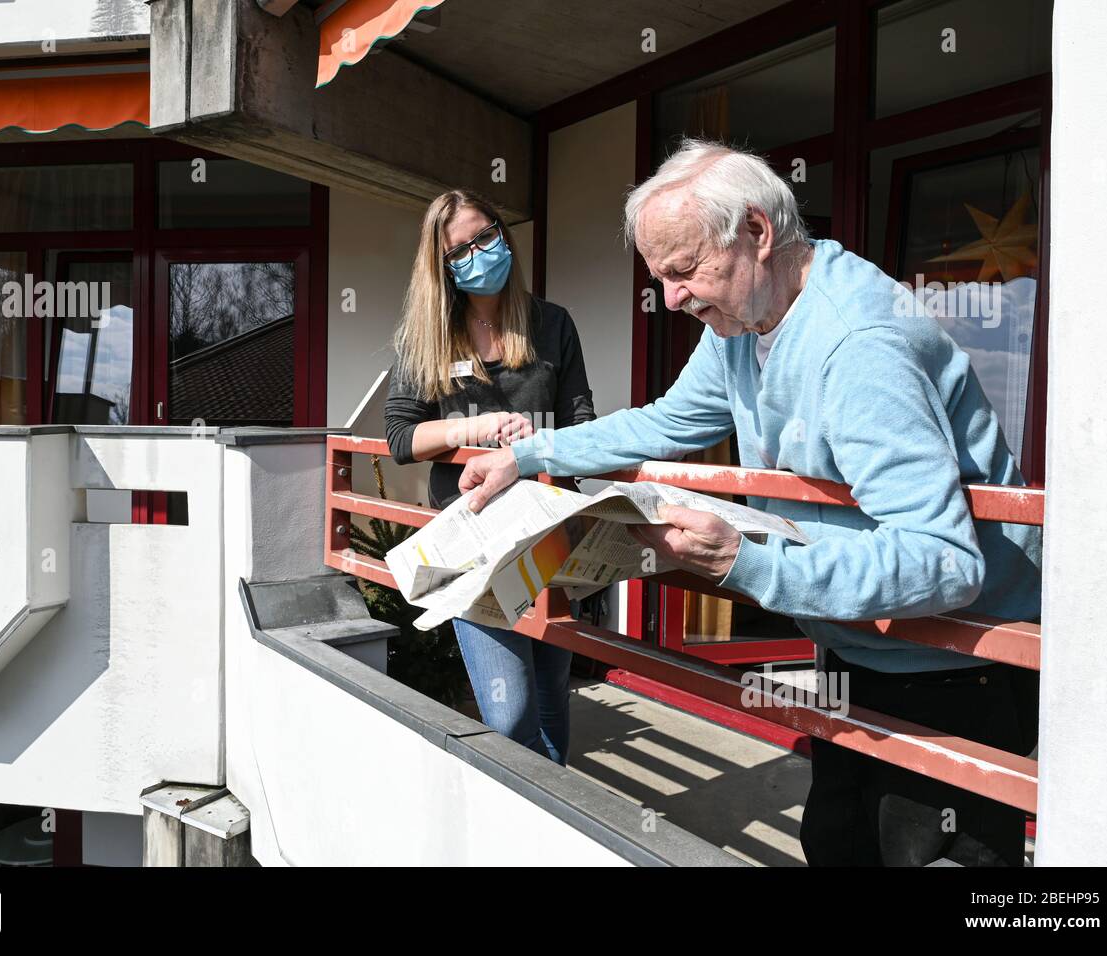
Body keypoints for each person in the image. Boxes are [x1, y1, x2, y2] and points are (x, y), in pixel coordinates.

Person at [457, 139, 1042, 866]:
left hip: (951, 667)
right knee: (834, 841)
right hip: (859, 644)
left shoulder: (858, 346)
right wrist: (529, 453)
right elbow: (672, 421)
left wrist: (745, 561)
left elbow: (944, 561)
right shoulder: (748, 318)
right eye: (659, 276)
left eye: (682, 270)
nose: (670, 298)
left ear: (758, 234)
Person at [384, 188, 596, 766]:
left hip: (548, 533)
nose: (479, 252)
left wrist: (541, 445)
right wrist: (469, 430)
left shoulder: (553, 324)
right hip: (472, 542)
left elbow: (584, 424)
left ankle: (555, 823)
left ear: (503, 232)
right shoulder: (425, 337)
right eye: (460, 250)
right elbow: (401, 438)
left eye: (485, 236)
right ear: (442, 266)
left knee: (553, 696)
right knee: (508, 715)